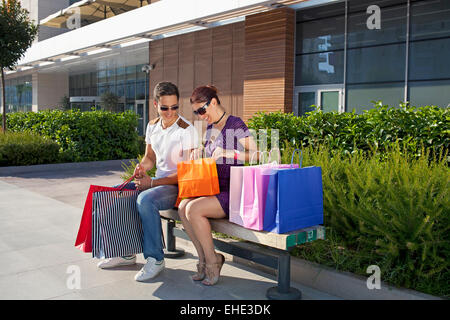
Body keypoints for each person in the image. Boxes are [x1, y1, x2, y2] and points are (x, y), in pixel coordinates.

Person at [96, 81, 198, 282]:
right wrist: (142, 167)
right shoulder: (152, 126)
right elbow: (149, 157)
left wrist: (151, 184)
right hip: (157, 182)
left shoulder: (187, 130)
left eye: (175, 107)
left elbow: (187, 174)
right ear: (155, 104)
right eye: (165, 107)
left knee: (145, 200)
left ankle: (155, 259)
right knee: (114, 194)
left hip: (177, 186)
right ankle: (125, 253)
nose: (170, 112)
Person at [178, 85, 258, 286]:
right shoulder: (211, 128)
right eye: (196, 112)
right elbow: (209, 155)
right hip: (213, 187)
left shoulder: (235, 124)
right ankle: (204, 258)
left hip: (233, 190)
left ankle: (213, 261)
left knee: (194, 210)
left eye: (202, 110)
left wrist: (232, 153)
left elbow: (257, 155)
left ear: (213, 102)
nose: (200, 115)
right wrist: (198, 152)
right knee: (182, 207)